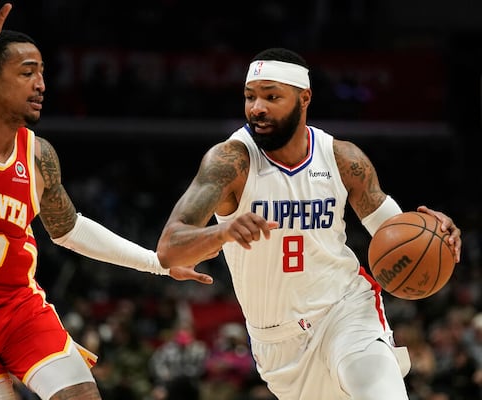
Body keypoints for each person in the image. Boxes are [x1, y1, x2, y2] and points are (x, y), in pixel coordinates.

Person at [0, 1, 213, 399]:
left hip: (16, 310)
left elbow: (69, 228)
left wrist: (158, 263)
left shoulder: (39, 154)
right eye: (27, 73)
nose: (41, 83)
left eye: (42, 73)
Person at [156, 47, 462, 400]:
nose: (257, 108)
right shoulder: (229, 161)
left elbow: (393, 230)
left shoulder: (342, 158)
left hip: (344, 311)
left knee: (381, 391)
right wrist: (221, 231)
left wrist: (436, 233)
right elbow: (169, 249)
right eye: (250, 97)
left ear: (304, 98)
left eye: (272, 97)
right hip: (276, 342)